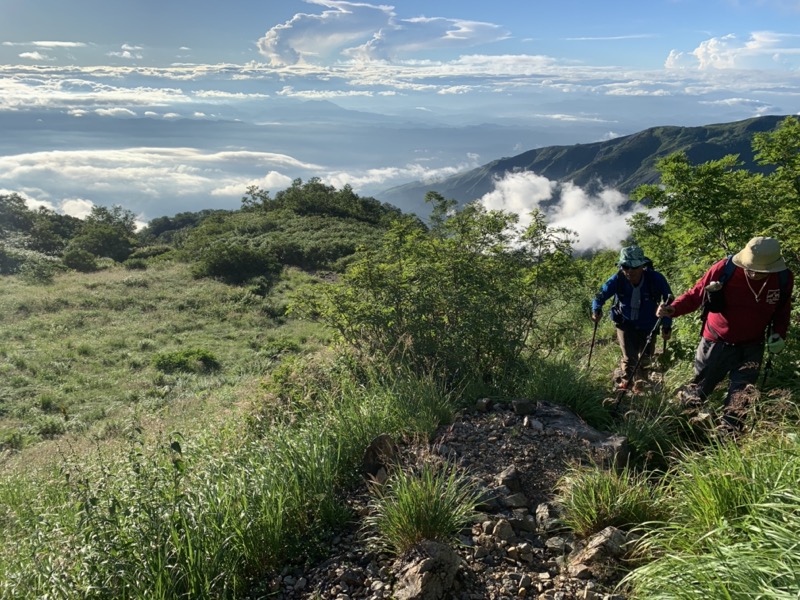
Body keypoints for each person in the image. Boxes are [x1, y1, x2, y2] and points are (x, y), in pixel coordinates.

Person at [656, 236, 794, 430]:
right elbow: (697, 293)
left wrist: (779, 334)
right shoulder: (724, 269)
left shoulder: (783, 278)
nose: (753, 274)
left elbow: (782, 310)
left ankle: (728, 435)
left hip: (752, 347)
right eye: (750, 267)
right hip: (716, 342)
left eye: (759, 271)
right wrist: (673, 309)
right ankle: (678, 427)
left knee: (741, 398)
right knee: (699, 390)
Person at [592, 245, 673, 390]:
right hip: (625, 323)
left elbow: (668, 302)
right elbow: (600, 296)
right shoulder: (617, 279)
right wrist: (596, 309)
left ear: (642, 265)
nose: (629, 271)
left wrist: (666, 325)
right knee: (630, 358)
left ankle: (641, 384)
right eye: (625, 266)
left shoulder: (655, 279)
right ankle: (628, 382)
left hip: (649, 324)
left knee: (646, 357)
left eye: (633, 267)